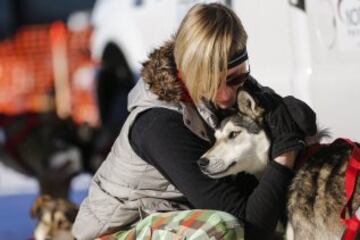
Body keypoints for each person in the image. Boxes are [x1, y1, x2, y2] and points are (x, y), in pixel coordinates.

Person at [72, 3, 316, 240]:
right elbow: (248, 225)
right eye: (213, 81)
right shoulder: (160, 125)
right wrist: (284, 155)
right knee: (222, 229)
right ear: (191, 72)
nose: (228, 94)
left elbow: (303, 123)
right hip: (118, 232)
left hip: (172, 219)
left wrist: (285, 111)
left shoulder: (232, 89)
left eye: (236, 78)